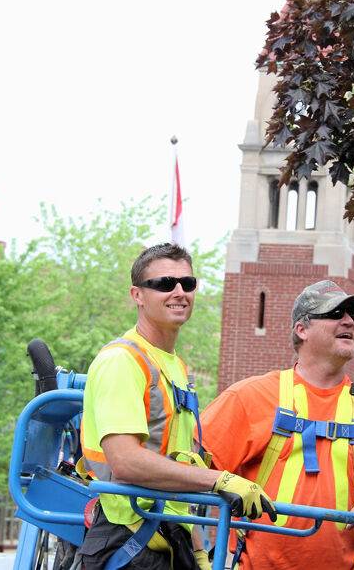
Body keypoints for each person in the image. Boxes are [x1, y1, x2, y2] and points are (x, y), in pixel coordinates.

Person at [77, 243, 276, 570]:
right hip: (128, 537)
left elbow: (177, 480)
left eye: (188, 283)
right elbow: (126, 462)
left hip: (169, 535)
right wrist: (219, 481)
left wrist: (198, 551)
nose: (179, 292)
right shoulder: (122, 361)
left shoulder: (176, 368)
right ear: (137, 295)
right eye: (165, 284)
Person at [201, 279, 354, 569]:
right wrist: (196, 552)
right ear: (301, 330)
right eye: (334, 314)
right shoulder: (249, 397)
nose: (349, 321)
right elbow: (186, 469)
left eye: (352, 315)